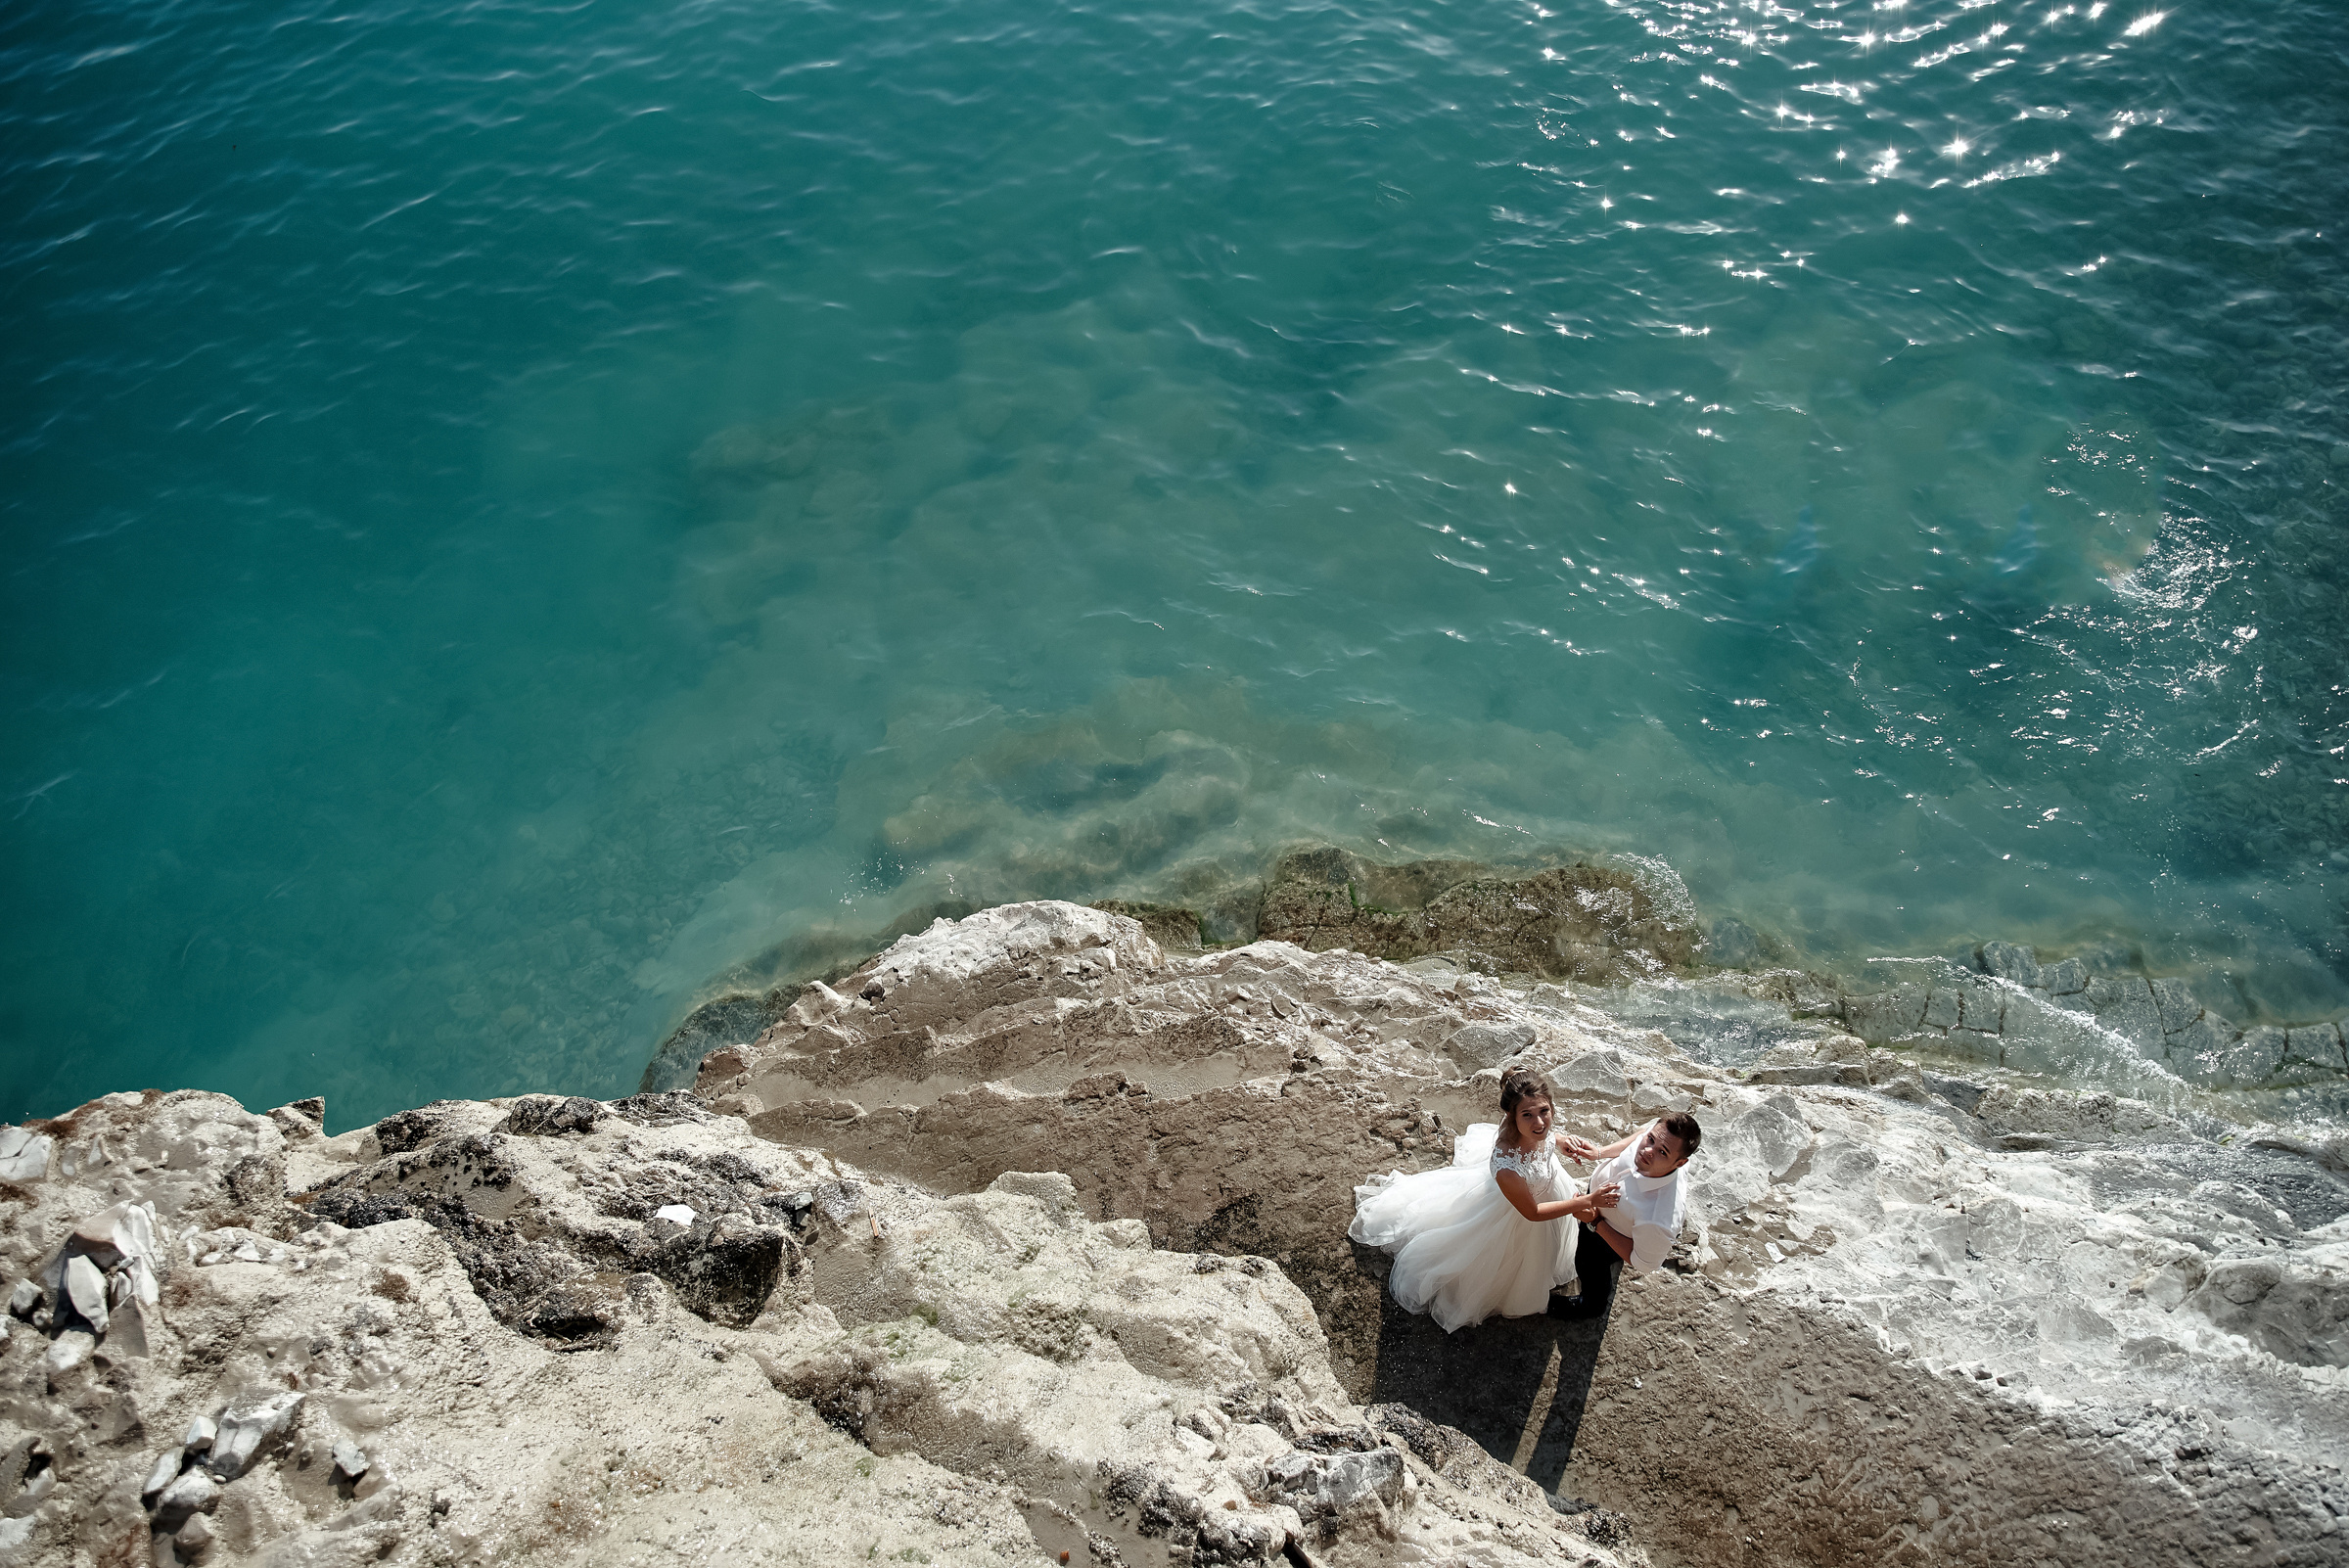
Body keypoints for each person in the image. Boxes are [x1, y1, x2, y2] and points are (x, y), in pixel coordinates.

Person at [1348, 1068, 1624, 1332]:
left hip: (1546, 1189)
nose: (1539, 1122)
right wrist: (1585, 1201)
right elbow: (1533, 1212)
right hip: (1516, 1216)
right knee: (1510, 1265)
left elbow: (1547, 1135)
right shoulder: (1507, 1167)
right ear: (1512, 1116)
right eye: (1527, 1115)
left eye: (1544, 1111)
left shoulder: (1537, 1128)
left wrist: (1561, 1142)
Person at [1551, 1112, 1701, 1321]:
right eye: (1651, 1140)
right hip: (1601, 1212)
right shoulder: (1654, 1139)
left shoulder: (1659, 1218)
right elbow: (1639, 1135)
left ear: (1679, 1163)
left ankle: (1590, 1307)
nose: (1647, 1151)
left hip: (1604, 1235)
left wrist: (1595, 1222)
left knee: (1589, 1265)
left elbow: (1643, 1262)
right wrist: (1600, 1153)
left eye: (1662, 1152)